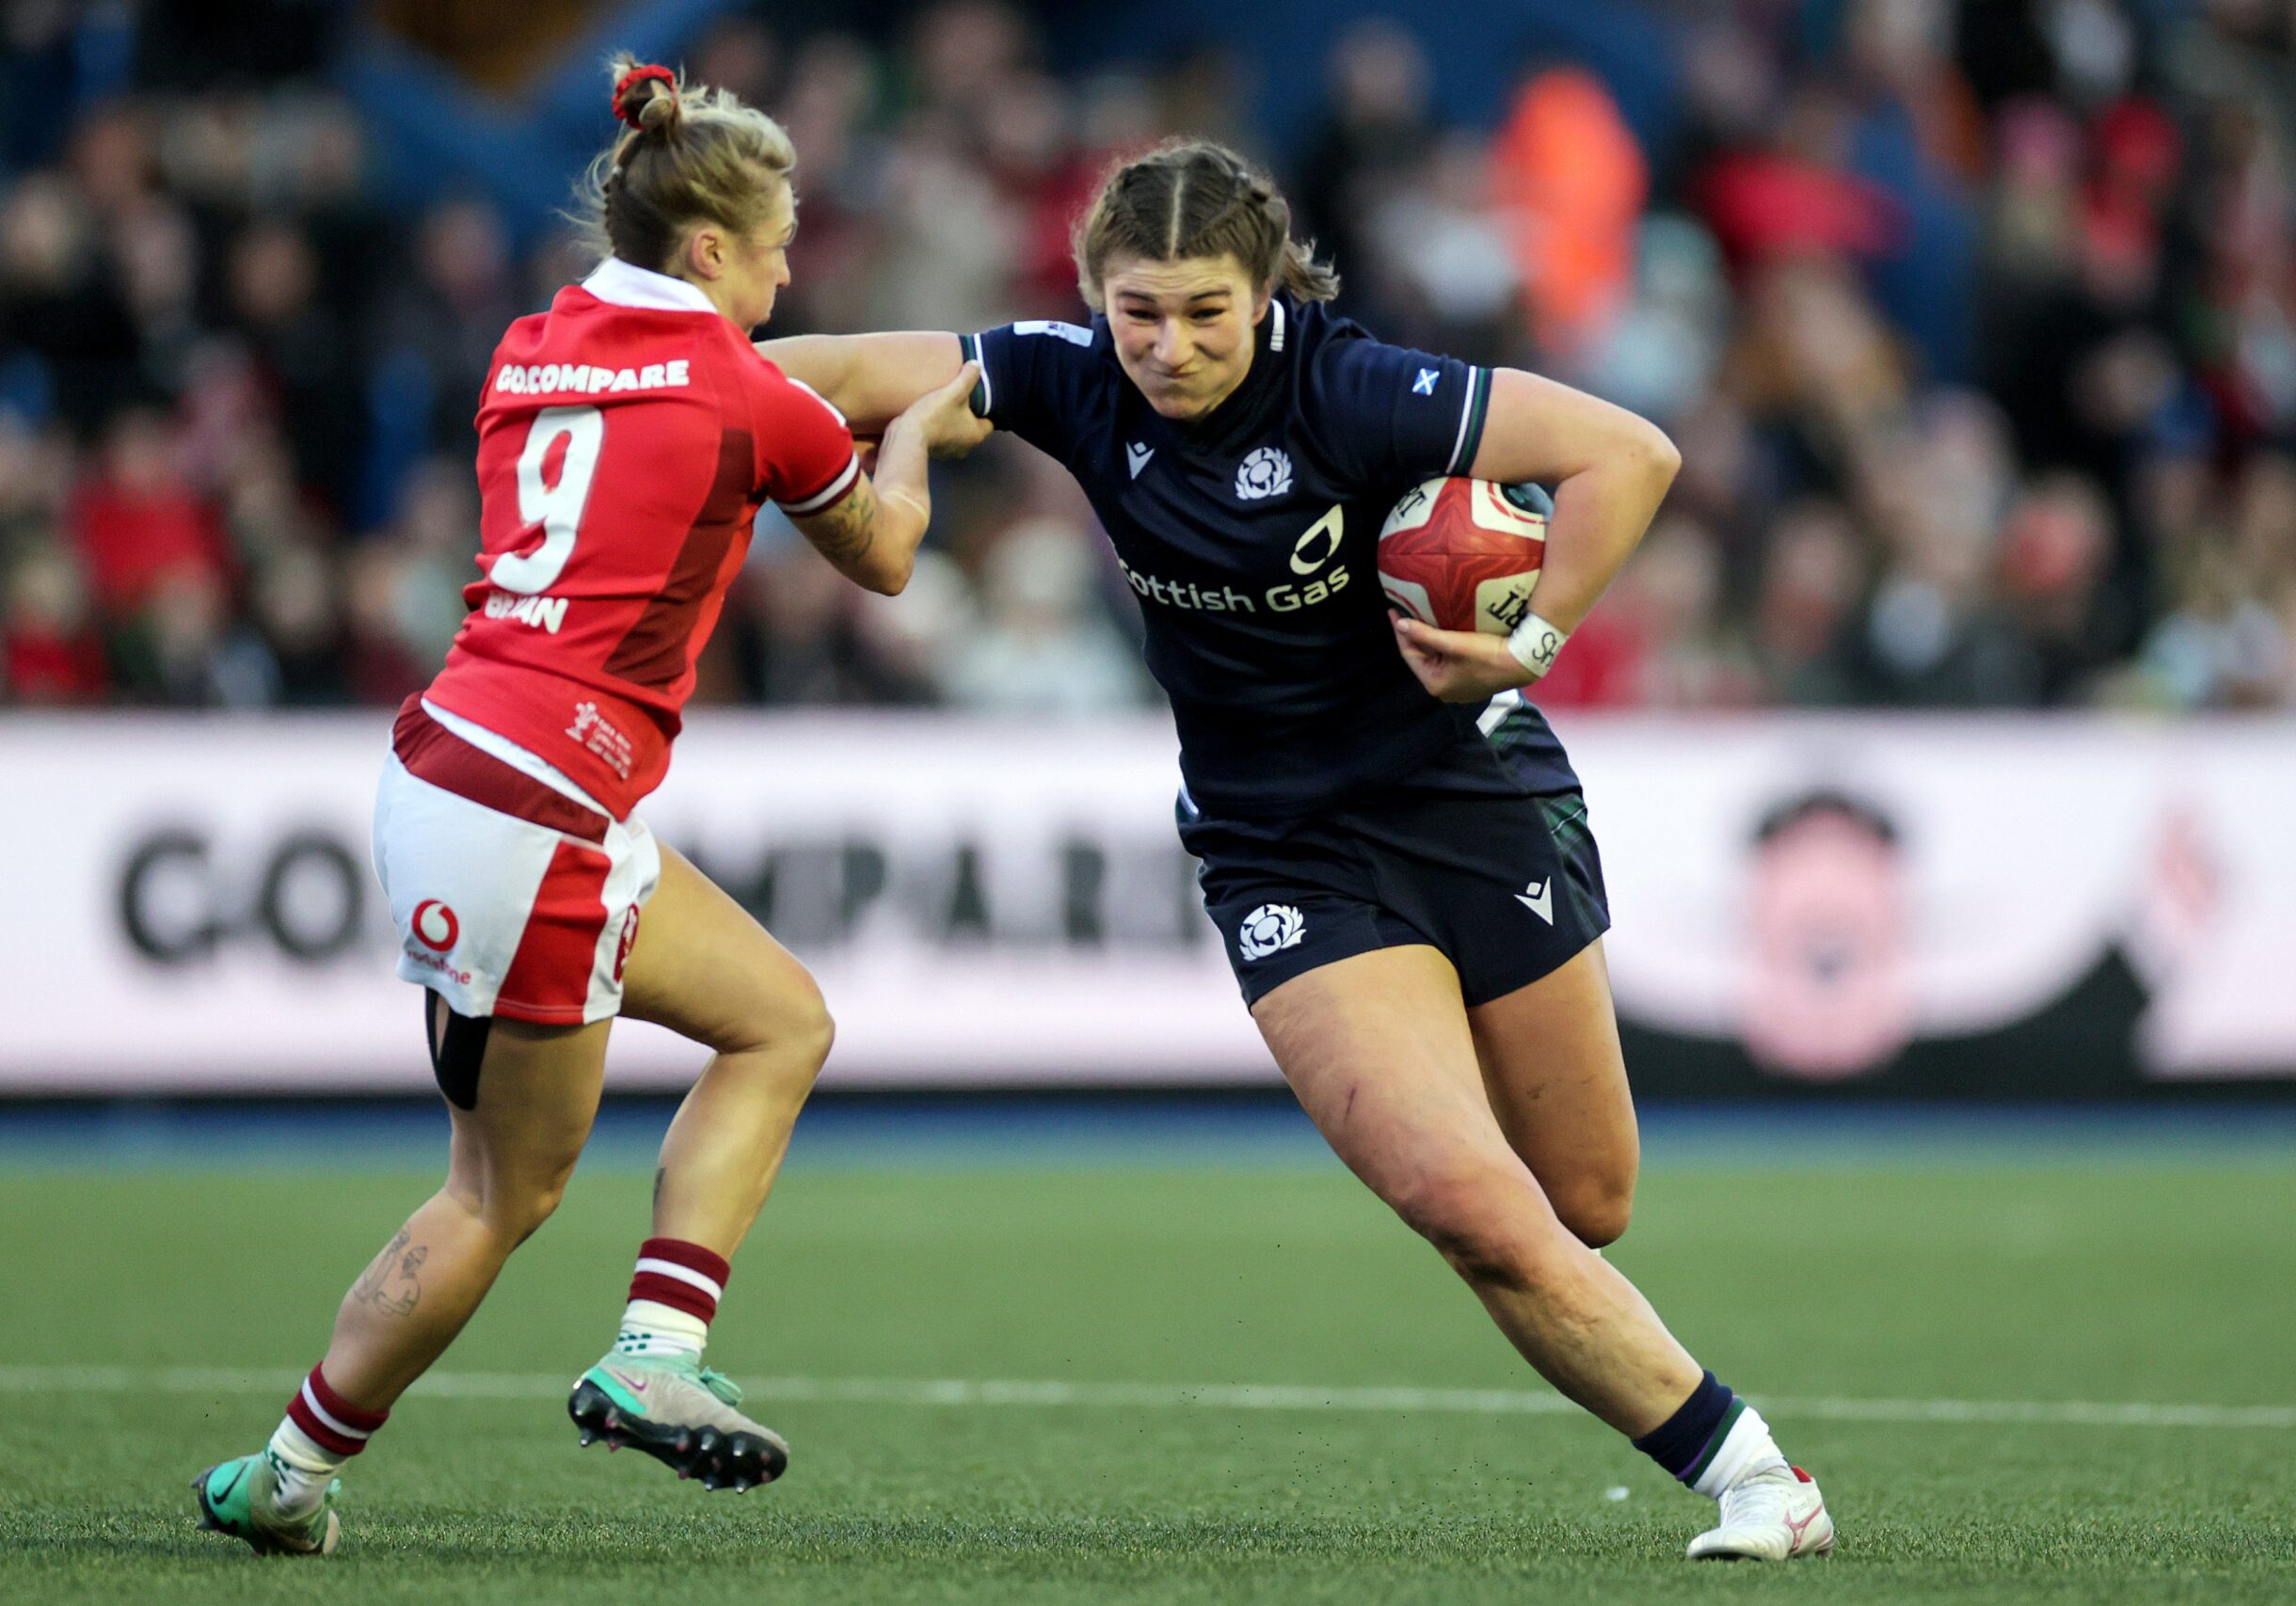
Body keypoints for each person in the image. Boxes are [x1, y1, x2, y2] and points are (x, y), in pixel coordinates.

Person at [766, 139, 1833, 1562]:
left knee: (1585, 1199)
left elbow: (1630, 454)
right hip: (1281, 850)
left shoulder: (1353, 388)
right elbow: (830, 372)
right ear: (1095, 294)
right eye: (1138, 311)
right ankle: (1760, 1479)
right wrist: (654, 371)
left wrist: (1529, 641)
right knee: (1471, 1207)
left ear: (1266, 290)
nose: (1169, 346)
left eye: (1206, 311)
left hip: (1468, 795)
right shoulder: (1068, 377)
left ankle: (1621, 1332)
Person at [190, 59, 988, 1556]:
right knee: (503, 1196)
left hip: (448, 762)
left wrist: (841, 380)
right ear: (710, 249)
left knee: (776, 1022)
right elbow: (884, 557)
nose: (786, 274)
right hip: (549, 808)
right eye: (772, 250)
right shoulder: (750, 397)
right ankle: (620, 1367)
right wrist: (913, 440)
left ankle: (285, 1480)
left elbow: (738, 377)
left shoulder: (530, 344)